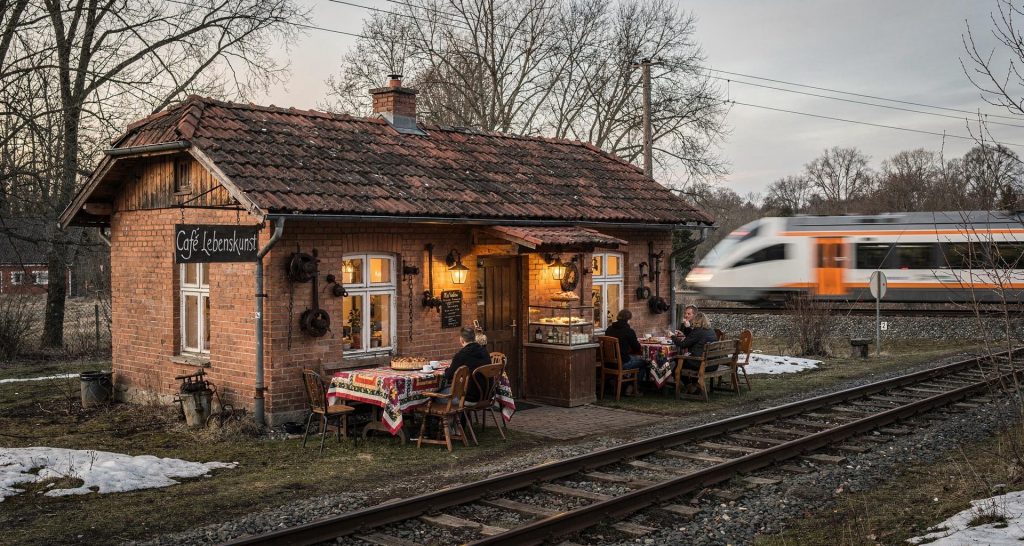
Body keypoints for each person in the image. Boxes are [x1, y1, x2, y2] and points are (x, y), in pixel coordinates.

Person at [442, 325, 491, 402]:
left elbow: (448, 376)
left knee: (435, 396)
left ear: (461, 340)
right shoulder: (484, 351)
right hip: (487, 395)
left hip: (469, 398)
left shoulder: (461, 355)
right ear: (474, 338)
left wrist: (446, 370)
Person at [672, 312, 719, 390]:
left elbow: (683, 344)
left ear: (696, 321)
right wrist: (688, 330)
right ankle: (693, 384)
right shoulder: (711, 330)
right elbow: (693, 338)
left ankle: (689, 385)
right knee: (683, 360)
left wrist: (672, 336)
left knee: (678, 361)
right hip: (713, 364)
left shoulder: (698, 331)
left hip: (703, 365)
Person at [603, 309, 648, 374]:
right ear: (628, 320)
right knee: (645, 361)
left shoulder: (609, 329)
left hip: (608, 363)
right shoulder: (629, 331)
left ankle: (628, 377)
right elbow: (637, 348)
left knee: (634, 358)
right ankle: (636, 380)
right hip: (622, 363)